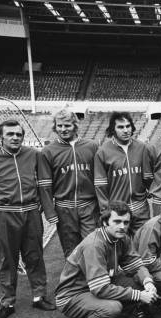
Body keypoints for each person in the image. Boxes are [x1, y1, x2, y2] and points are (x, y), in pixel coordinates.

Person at [55, 201, 158, 318]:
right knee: (113, 307)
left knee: (139, 282)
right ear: (104, 222)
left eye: (125, 222)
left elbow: (136, 265)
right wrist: (139, 295)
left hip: (97, 286)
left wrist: (148, 282)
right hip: (73, 295)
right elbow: (100, 289)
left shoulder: (122, 237)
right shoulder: (95, 244)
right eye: (116, 221)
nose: (122, 226)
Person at [0, 120, 55, 318]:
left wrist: (42, 204)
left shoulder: (33, 154)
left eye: (18, 134)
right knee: (7, 259)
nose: (15, 137)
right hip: (5, 213)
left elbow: (44, 181)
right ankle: (7, 302)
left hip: (31, 212)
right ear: (1, 137)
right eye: (10, 134)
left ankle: (39, 296)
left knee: (35, 256)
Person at [38, 108, 99, 257]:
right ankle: (74, 279)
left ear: (75, 126)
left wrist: (103, 204)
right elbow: (45, 185)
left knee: (93, 245)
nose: (63, 129)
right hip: (64, 208)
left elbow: (100, 178)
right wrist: (49, 211)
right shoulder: (48, 151)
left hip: (89, 205)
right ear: (55, 127)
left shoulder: (91, 146)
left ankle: (96, 278)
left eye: (67, 125)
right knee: (71, 249)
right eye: (59, 126)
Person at [94, 111, 153, 233]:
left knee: (142, 245)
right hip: (118, 211)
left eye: (128, 126)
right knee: (120, 248)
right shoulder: (103, 152)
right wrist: (106, 211)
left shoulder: (141, 147)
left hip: (141, 208)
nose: (125, 130)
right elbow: (100, 186)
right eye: (120, 127)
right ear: (113, 129)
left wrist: (150, 190)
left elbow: (148, 177)